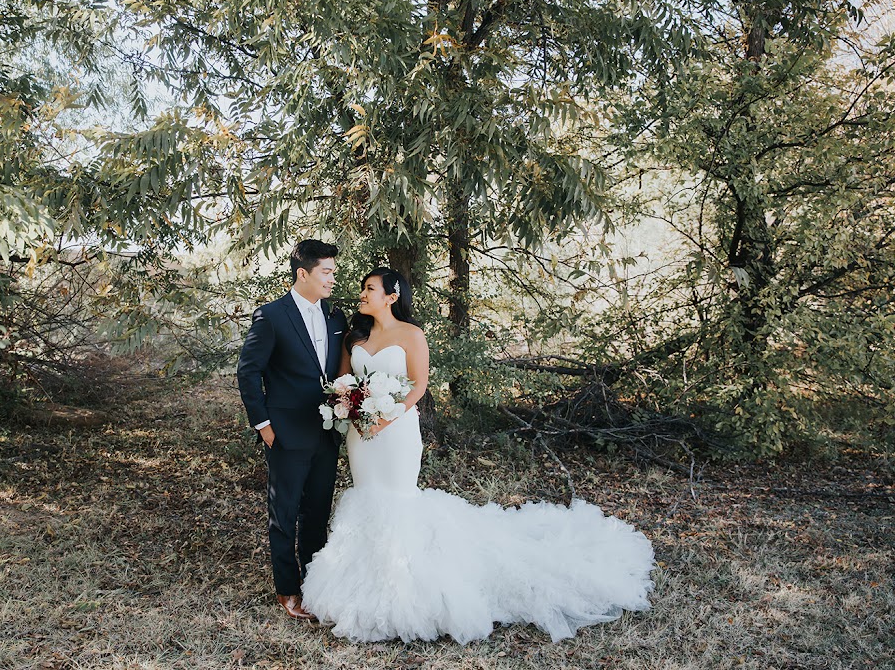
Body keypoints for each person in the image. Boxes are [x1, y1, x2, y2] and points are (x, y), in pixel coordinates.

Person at [301, 267, 655, 643]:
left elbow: (418, 386)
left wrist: (385, 418)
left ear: (391, 296)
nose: (362, 293)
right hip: (361, 435)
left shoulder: (411, 334)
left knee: (397, 500)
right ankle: (365, 582)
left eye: (370, 288)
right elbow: (343, 383)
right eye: (363, 288)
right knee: (368, 498)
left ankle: (404, 587)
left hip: (396, 431)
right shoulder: (354, 337)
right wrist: (351, 409)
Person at [236, 240, 348, 620]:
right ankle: (287, 590)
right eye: (326, 272)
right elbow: (248, 372)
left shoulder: (336, 318)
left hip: (326, 432)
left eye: (333, 272)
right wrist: (264, 426)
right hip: (284, 433)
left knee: (317, 513)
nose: (332, 279)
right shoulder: (271, 316)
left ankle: (315, 588)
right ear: (303, 273)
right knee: (284, 515)